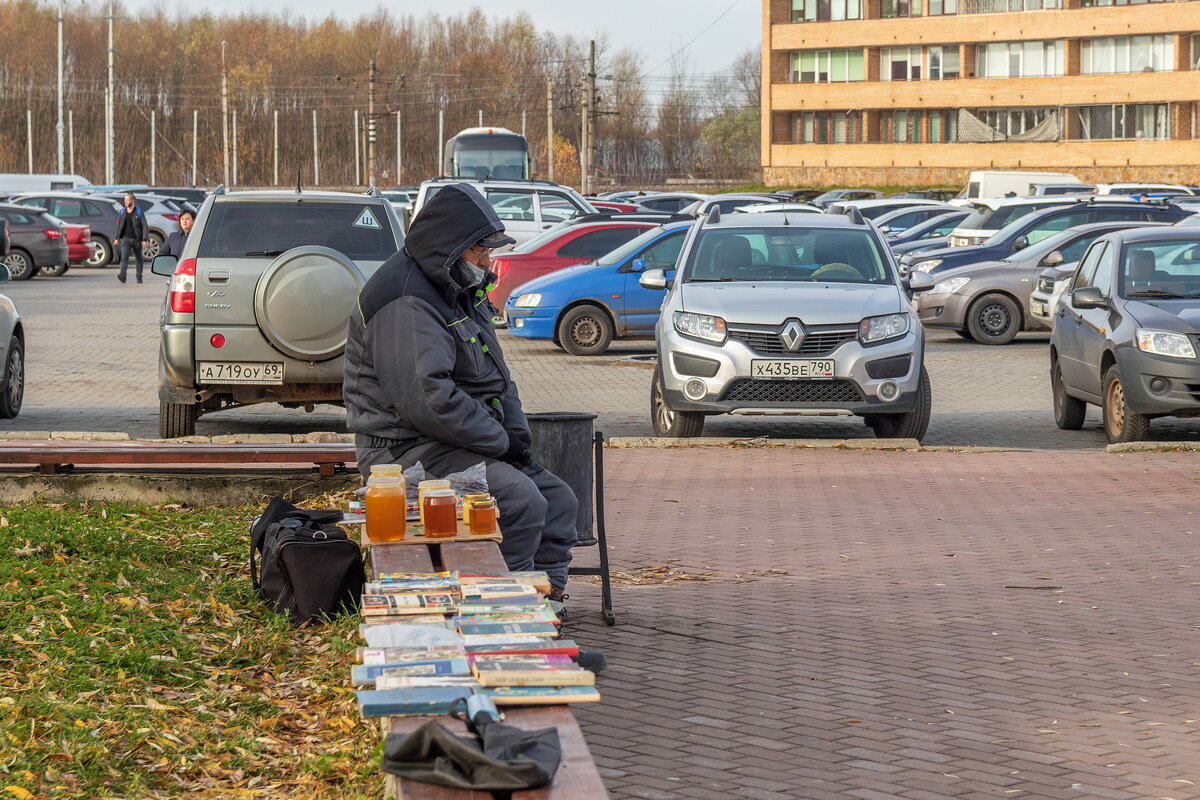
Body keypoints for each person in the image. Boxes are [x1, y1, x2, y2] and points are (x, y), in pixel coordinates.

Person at [343, 183, 579, 605]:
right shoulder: (405, 300)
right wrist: (501, 442)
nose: (487, 262)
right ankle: (505, 610)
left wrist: (514, 432)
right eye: (479, 252)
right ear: (451, 249)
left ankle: (547, 605)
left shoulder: (455, 288)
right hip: (402, 452)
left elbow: (498, 377)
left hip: (456, 442)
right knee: (521, 500)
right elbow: (427, 400)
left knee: (558, 499)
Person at [114, 193, 148, 284]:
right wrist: (117, 238)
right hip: (125, 239)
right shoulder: (122, 211)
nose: (125, 202)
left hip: (137, 239)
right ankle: (123, 275)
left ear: (133, 201)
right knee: (124, 258)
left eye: (127, 200)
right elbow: (120, 225)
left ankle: (139, 277)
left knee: (139, 258)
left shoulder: (139, 211)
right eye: (125, 200)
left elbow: (144, 225)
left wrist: (144, 239)